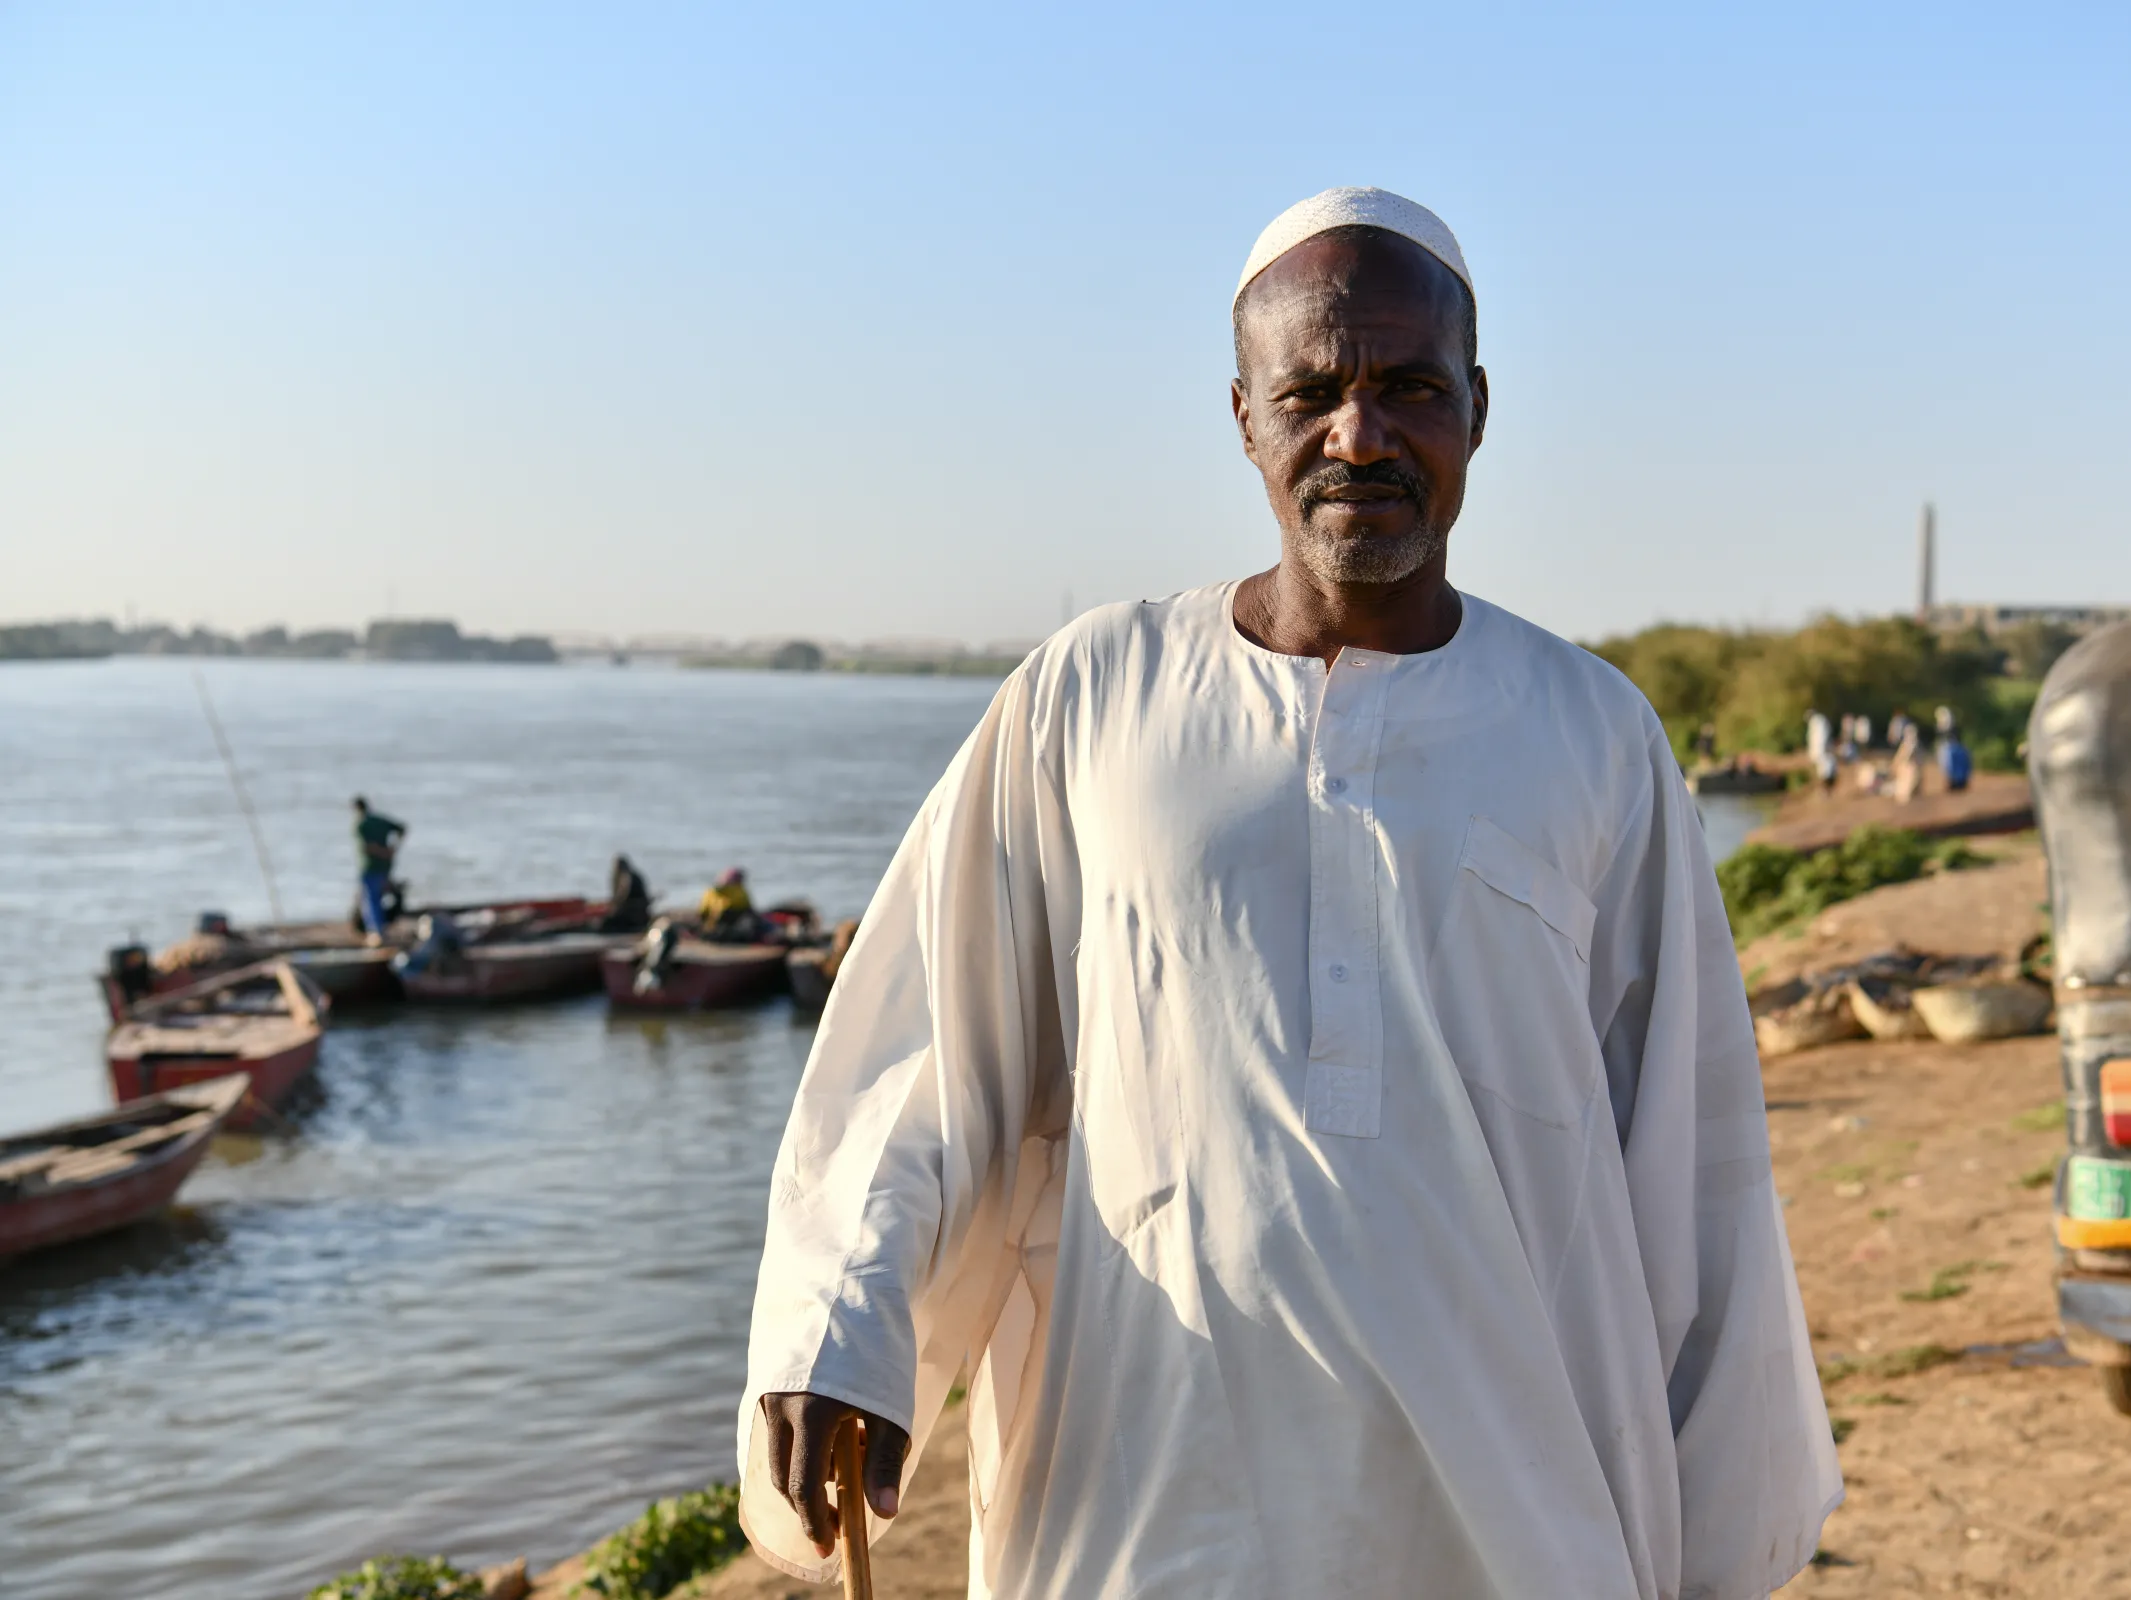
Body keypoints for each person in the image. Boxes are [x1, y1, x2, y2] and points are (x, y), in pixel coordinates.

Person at [738, 187, 1839, 1598]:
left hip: (1521, 1523)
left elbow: (1695, 1175)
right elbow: (930, 1050)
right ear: (1245, 414)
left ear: (1479, 411)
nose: (1360, 435)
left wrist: (1718, 1543)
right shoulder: (1092, 696)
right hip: (1146, 1510)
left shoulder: (1594, 734)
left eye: (1409, 389)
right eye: (1312, 390)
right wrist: (845, 1324)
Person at [352, 797, 406, 945]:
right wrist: (393, 849)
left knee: (370, 901)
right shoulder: (380, 821)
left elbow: (367, 848)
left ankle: (377, 933)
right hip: (385, 867)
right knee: (379, 899)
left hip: (370, 867)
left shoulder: (361, 825)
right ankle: (381, 930)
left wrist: (382, 852)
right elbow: (402, 828)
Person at [697, 867, 755, 939]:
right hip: (730, 919)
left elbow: (703, 911)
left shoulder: (709, 891)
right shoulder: (739, 890)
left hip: (714, 922)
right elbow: (747, 906)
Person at [601, 855, 653, 933]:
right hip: (637, 910)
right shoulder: (634, 876)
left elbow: (622, 898)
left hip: (633, 912)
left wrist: (613, 906)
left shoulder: (627, 878)